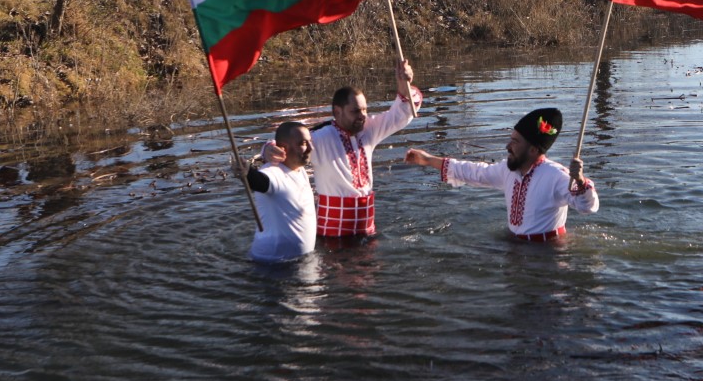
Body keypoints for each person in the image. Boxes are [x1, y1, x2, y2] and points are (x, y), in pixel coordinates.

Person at [266, 59, 422, 238]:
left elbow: (402, 113)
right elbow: (285, 145)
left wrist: (404, 84)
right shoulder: (320, 138)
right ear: (337, 112)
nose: (362, 116)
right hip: (333, 235)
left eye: (364, 110)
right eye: (355, 111)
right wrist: (269, 150)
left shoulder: (370, 130)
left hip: (366, 230)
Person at [405, 107, 600, 240]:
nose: (508, 146)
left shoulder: (555, 176)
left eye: (515, 142)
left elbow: (588, 206)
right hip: (514, 247)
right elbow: (474, 172)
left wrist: (580, 180)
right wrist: (428, 160)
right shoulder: (508, 171)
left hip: (547, 255)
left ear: (533, 150)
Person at [237, 121, 316, 263]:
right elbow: (259, 181)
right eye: (303, 143)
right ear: (284, 148)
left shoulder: (299, 168)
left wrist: (266, 147)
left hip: (299, 261)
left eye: (310, 142)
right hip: (273, 263)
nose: (311, 148)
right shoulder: (274, 173)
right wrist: (247, 172)